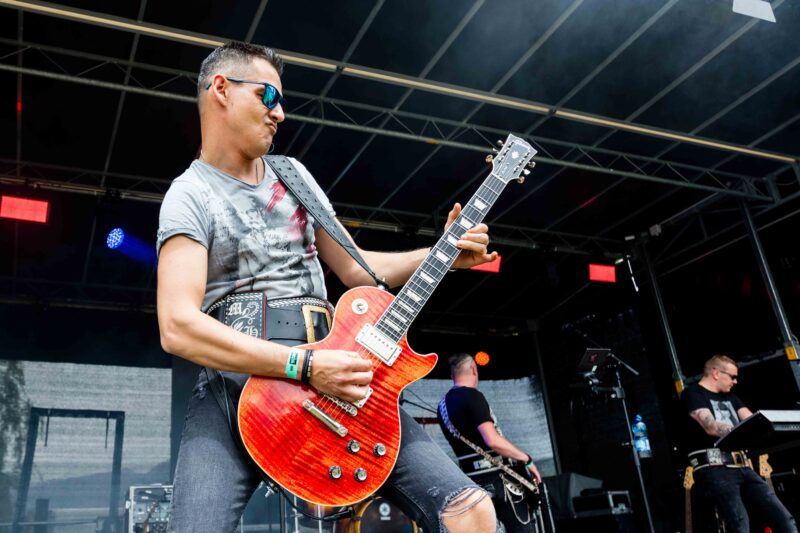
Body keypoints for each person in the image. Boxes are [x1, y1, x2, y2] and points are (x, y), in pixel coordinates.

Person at [156, 41, 504, 533]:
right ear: (221, 89)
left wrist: (443, 254)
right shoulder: (189, 195)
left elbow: (358, 269)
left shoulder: (293, 176)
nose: (280, 113)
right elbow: (177, 326)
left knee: (471, 512)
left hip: (337, 379)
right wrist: (303, 365)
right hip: (235, 388)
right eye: (268, 96)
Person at [682, 354, 797, 533]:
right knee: (739, 522)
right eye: (732, 376)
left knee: (783, 517)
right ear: (716, 373)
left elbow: (751, 421)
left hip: (742, 465)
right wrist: (739, 430)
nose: (735, 381)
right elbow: (710, 426)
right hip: (715, 467)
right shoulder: (693, 393)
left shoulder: (732, 397)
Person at [437, 353, 543, 533]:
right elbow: (492, 440)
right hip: (498, 479)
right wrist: (526, 459)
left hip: (471, 483)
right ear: (473, 369)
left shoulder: (442, 406)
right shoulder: (472, 396)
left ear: (452, 374)